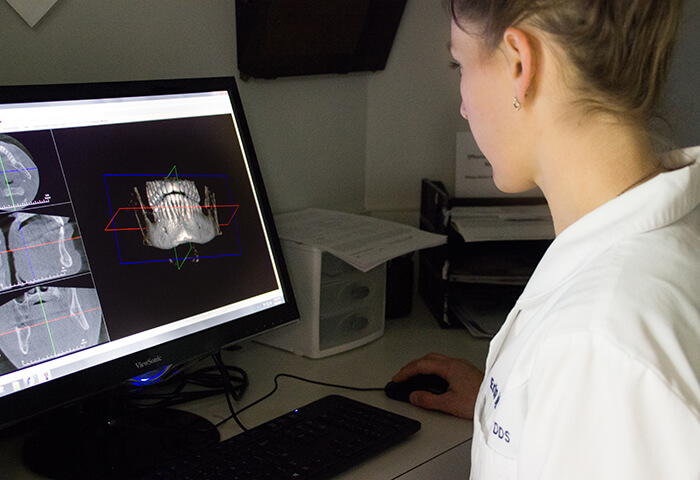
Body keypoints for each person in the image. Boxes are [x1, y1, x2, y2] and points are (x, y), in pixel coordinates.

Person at [393, 0, 700, 477]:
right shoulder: (676, 230)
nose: (462, 103)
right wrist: (518, 407)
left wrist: (574, 394)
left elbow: (614, 384)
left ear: (519, 63)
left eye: (460, 64)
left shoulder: (597, 347)